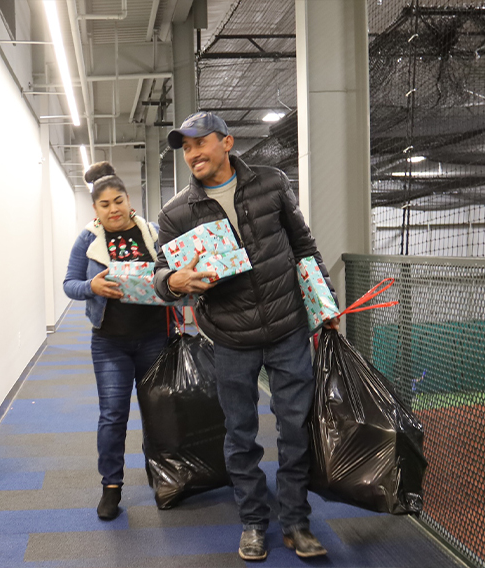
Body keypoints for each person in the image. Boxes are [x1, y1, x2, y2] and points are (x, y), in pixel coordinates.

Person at [153, 111, 339, 561]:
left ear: (227, 143)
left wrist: (325, 302)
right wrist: (175, 283)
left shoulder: (272, 183)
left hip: (287, 328)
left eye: (201, 143)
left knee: (295, 429)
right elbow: (161, 274)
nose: (193, 153)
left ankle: (296, 521)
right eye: (186, 147)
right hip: (230, 336)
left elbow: (303, 246)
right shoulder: (176, 212)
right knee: (240, 435)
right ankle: (254, 522)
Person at [63, 161, 169, 521]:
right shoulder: (87, 240)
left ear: (129, 200)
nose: (113, 209)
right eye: (105, 204)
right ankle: (111, 487)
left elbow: (170, 274)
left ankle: (163, 476)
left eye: (118, 200)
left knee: (158, 413)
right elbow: (69, 284)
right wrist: (91, 287)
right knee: (113, 416)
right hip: (109, 343)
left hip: (155, 337)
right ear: (95, 210)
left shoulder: (152, 233)